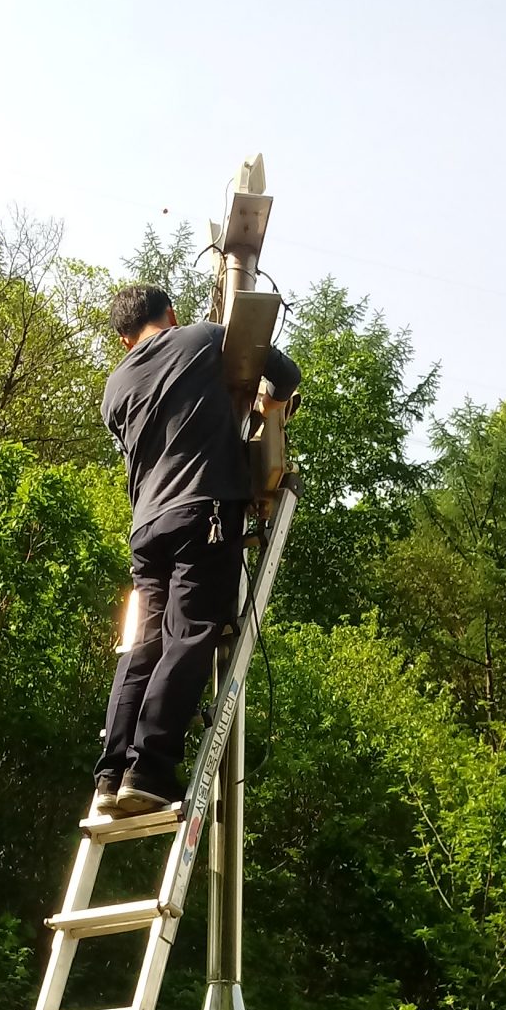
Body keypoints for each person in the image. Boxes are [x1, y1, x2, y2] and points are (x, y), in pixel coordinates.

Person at [93, 282, 301, 818]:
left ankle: (111, 771)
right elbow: (286, 372)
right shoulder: (205, 338)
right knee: (190, 634)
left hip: (146, 527)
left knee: (143, 643)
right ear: (172, 314)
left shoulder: (113, 390)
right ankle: (150, 768)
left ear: (123, 339)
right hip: (202, 509)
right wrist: (266, 409)